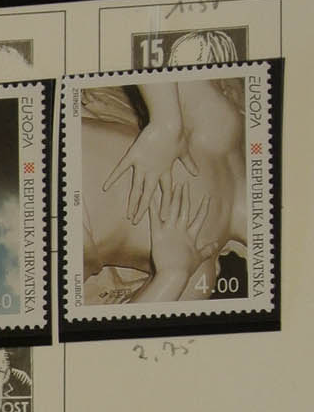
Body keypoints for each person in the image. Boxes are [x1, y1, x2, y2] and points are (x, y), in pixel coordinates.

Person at [82, 78, 247, 303]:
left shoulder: (198, 269)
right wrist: (167, 123)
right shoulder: (219, 129)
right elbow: (154, 61)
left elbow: (128, 325)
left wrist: (172, 275)